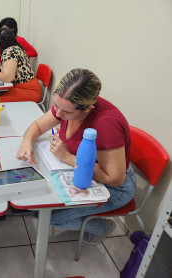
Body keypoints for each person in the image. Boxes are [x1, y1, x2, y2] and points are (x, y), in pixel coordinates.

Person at [16, 68, 136, 245]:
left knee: (53, 216)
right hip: (82, 172)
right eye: (56, 106)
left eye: (65, 112)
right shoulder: (67, 104)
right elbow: (38, 126)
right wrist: (26, 142)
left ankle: (101, 227)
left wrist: (66, 156)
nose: (57, 114)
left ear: (88, 109)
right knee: (38, 203)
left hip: (115, 188)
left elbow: (115, 179)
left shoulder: (106, 125)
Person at [0, 28, 41, 103]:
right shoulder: (16, 47)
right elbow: (10, 67)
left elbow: (8, 77)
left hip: (28, 91)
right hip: (29, 87)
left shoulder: (9, 52)